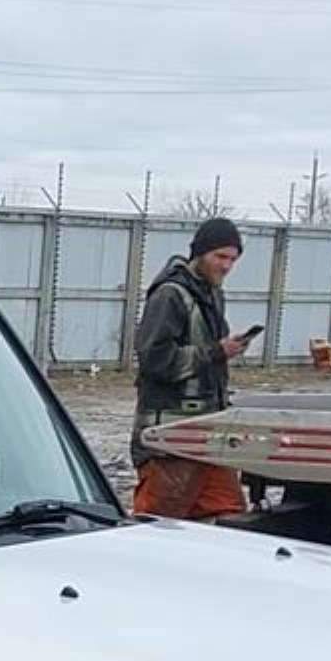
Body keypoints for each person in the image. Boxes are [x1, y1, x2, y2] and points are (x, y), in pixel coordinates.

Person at [129, 216, 254, 521]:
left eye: (233, 259)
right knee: (156, 527)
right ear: (199, 253)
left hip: (207, 434)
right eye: (220, 257)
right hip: (169, 440)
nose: (226, 266)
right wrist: (215, 352)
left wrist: (223, 351)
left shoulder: (210, 293)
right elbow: (154, 359)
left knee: (231, 516)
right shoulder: (170, 294)